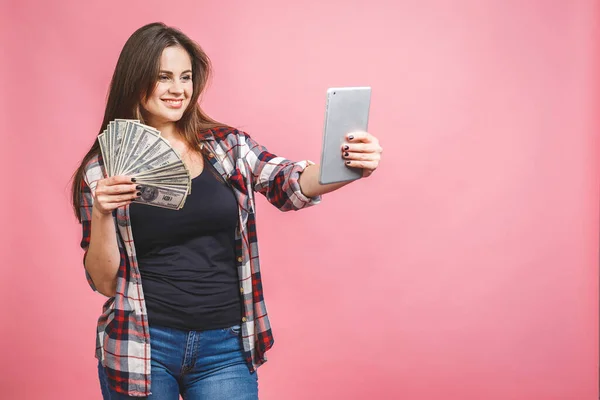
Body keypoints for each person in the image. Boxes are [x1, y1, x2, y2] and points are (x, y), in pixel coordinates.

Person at [71, 22, 383, 399]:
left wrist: (347, 164)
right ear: (135, 80)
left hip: (225, 346)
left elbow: (287, 182)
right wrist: (104, 212)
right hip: (142, 344)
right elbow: (105, 282)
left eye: (185, 77)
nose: (177, 89)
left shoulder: (226, 146)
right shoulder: (102, 169)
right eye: (163, 77)